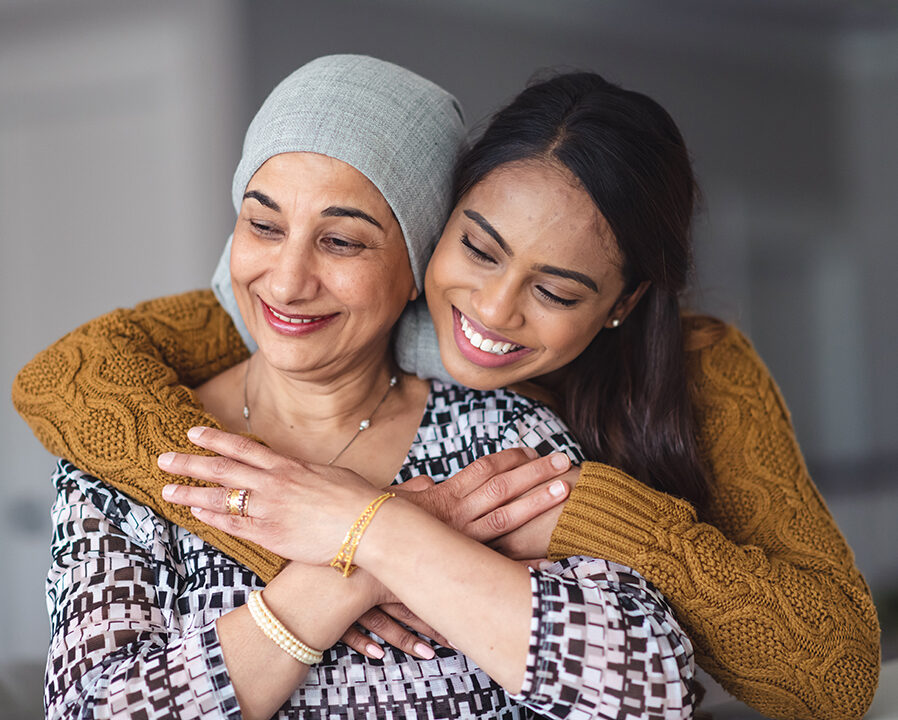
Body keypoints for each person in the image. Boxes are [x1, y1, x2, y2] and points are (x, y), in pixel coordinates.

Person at [13, 67, 880, 719]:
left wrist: (389, 529)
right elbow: (69, 378)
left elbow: (700, 686)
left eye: (558, 290)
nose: (492, 311)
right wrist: (340, 569)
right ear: (440, 243)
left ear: (622, 305)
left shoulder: (535, 426)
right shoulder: (162, 405)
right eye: (263, 220)